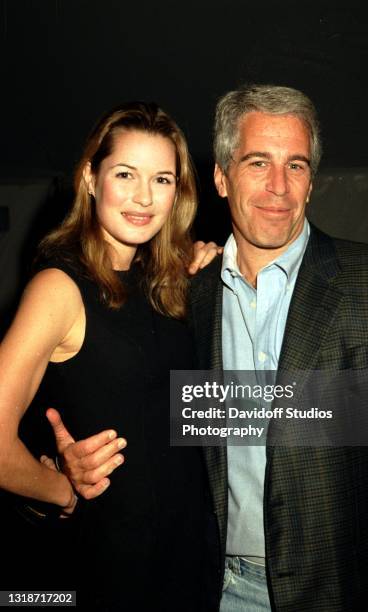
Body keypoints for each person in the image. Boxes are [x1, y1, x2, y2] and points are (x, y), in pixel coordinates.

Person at [48, 85, 368, 611]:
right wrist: (63, 468)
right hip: (201, 585)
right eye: (257, 162)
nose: (278, 187)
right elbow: (146, 419)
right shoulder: (182, 294)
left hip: (334, 592)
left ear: (312, 182)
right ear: (221, 177)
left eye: (296, 166)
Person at [0, 101, 222, 610]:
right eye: (126, 174)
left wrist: (203, 267)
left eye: (162, 179)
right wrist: (60, 488)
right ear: (90, 178)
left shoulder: (170, 284)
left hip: (189, 569)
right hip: (111, 576)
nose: (144, 197)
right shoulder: (58, 286)